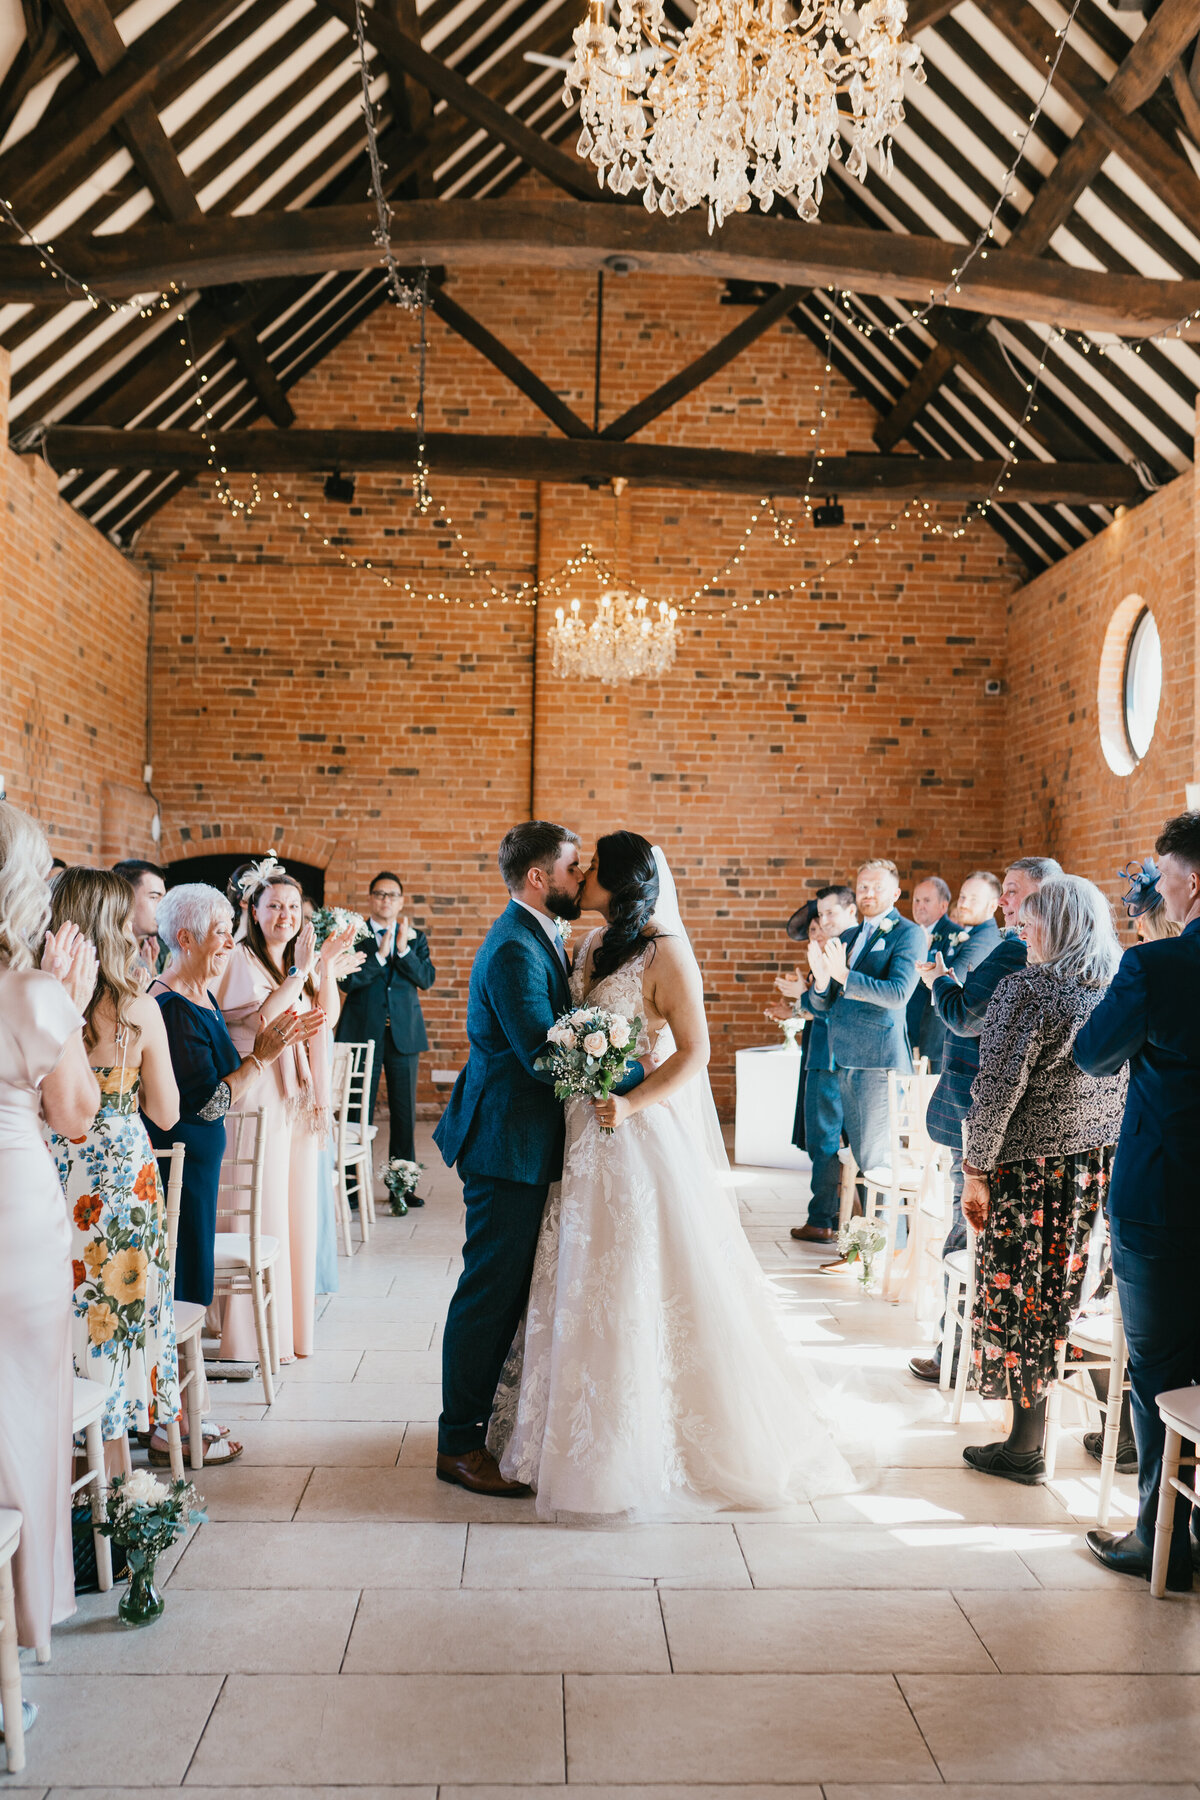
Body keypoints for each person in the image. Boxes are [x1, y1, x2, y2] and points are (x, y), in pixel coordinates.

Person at [489, 832, 855, 1519]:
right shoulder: (594, 946)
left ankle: (632, 1441)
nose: (584, 875)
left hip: (629, 1131)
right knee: (575, 1274)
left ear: (622, 884)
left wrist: (628, 1101)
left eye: (594, 868)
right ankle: (560, 1431)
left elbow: (695, 1053)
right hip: (577, 1132)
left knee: (629, 1277)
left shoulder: (667, 953)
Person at [434, 821, 647, 1496]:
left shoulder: (541, 935)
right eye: (571, 867)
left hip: (525, 1141)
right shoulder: (514, 951)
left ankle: (487, 1426)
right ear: (538, 877)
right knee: (487, 1295)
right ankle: (458, 1444)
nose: (579, 877)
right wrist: (644, 1071)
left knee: (505, 1293)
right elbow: (547, 1058)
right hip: (506, 1145)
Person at [145, 882, 325, 1460]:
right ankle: (170, 1423)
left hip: (198, 1168)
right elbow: (205, 1104)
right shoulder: (170, 1006)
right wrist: (261, 1057)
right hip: (180, 1169)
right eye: (221, 932)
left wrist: (263, 1054)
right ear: (185, 938)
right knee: (179, 1293)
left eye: (229, 929)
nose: (230, 941)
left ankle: (188, 1413)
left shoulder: (202, 997)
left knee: (190, 1289)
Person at [959, 876, 1127, 1485]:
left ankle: (1026, 1445)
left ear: (1056, 927)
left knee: (1029, 1293)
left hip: (1031, 1175)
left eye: (1028, 922)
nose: (1019, 931)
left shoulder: (1027, 990)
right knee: (1087, 1292)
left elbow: (998, 1090)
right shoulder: (1116, 985)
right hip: (1100, 1168)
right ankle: (1122, 1433)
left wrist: (975, 1168)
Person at [1075, 814, 1200, 1591]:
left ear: (1193, 882)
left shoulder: (1156, 968)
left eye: (1161, 874)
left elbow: (1094, 1054)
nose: (1154, 886)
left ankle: (1161, 1543)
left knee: (1160, 1369)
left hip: (1163, 1197)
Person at [0, 800, 99, 1670]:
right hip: (15, 1208)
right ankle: (20, 1616)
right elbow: (75, 1114)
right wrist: (66, 1007)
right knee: (24, 1402)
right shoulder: (32, 993)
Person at [908, 856, 1061, 1383]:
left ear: (1045, 894)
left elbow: (966, 1016)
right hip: (1029, 1124)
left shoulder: (1017, 949)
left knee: (965, 1231)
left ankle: (951, 1352)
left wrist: (941, 981)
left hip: (980, 1113)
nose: (1004, 900)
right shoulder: (1066, 956)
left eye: (1013, 890)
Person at [47, 868, 182, 1456]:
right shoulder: (137, 1007)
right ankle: (115, 1463)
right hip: (120, 1170)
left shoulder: (37, 996)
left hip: (51, 1161)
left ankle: (62, 1435)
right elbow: (169, 1112)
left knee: (65, 1297)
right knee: (118, 1300)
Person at [213, 859, 360, 1361]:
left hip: (294, 1097)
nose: (286, 914)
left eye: (294, 906)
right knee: (266, 1202)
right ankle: (249, 1337)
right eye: (274, 905)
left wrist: (320, 966)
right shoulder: (239, 959)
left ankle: (289, 1331)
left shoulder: (289, 963)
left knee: (293, 1204)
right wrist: (302, 970)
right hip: (258, 1094)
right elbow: (264, 1018)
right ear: (253, 912)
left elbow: (327, 1016)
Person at [803, 859, 925, 1211]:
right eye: (863, 887)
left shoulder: (908, 933)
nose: (868, 893)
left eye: (877, 887)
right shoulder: (850, 937)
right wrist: (823, 980)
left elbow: (898, 993)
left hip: (879, 1063)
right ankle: (870, 1247)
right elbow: (825, 1004)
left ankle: (888, 1252)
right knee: (860, 1155)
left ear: (896, 893)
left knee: (878, 1161)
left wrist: (843, 975)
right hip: (846, 1057)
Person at [769, 885, 859, 1246]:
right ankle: (839, 1215)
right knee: (830, 1141)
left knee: (825, 1141)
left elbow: (831, 1010)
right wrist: (793, 1007)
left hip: (829, 1059)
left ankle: (822, 1218)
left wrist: (800, 998)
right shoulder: (825, 956)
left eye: (822, 923)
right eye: (813, 928)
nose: (818, 931)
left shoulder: (839, 955)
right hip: (821, 1055)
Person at [336, 869, 436, 1176]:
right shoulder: (352, 935)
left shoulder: (415, 939)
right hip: (361, 1033)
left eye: (392, 895)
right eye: (379, 894)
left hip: (403, 1035)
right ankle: (353, 1183)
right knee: (356, 1108)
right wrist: (379, 957)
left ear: (401, 901)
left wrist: (403, 950)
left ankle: (401, 1182)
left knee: (404, 1113)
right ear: (370, 899)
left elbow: (426, 979)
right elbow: (347, 982)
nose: (385, 900)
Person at [905, 876, 954, 1071]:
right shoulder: (909, 932)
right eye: (916, 900)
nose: (919, 906)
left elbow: (946, 980)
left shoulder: (955, 937)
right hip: (908, 1030)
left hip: (933, 1036)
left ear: (943, 906)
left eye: (926, 901)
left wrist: (923, 954)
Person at [112, 858, 167, 983]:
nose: (162, 906)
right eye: (154, 897)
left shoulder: (155, 950)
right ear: (125, 896)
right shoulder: (110, 954)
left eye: (163, 899)